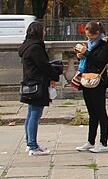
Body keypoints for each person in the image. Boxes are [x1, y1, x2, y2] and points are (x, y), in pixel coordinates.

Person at [74, 21, 108, 153]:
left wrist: (86, 53)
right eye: (87, 36)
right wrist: (80, 56)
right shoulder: (90, 44)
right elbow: (88, 61)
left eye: (90, 36)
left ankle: (103, 142)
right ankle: (90, 141)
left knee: (101, 112)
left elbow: (100, 61)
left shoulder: (106, 45)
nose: (88, 38)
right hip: (86, 79)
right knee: (92, 113)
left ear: (97, 33)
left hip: (98, 81)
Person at [19, 21, 61, 156]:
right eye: (43, 30)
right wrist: (54, 75)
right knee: (35, 115)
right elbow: (43, 65)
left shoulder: (27, 46)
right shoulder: (36, 48)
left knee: (31, 114)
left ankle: (30, 143)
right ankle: (32, 146)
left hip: (30, 82)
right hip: (38, 83)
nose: (44, 32)